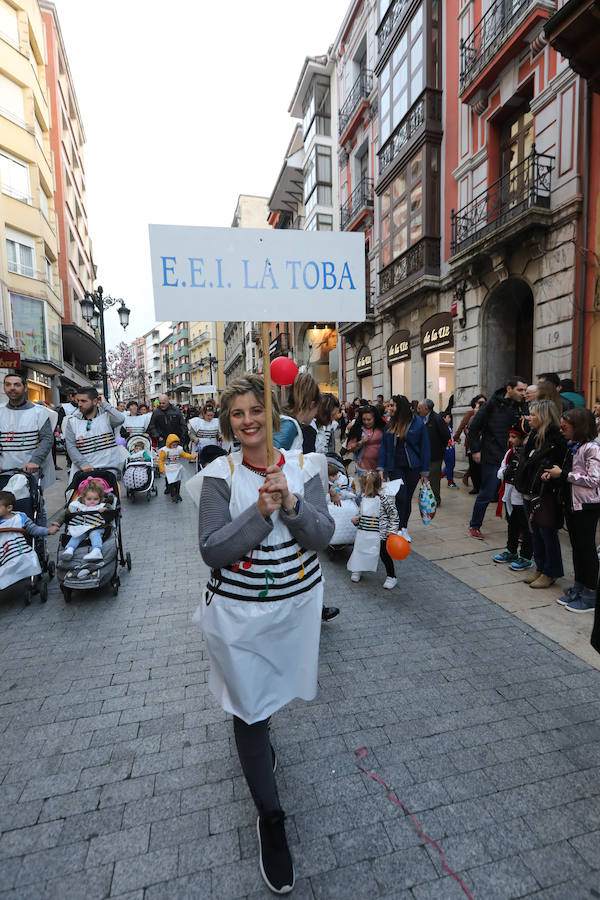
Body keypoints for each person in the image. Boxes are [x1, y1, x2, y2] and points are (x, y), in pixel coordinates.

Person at [194, 373, 334, 894]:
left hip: (294, 609)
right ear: (227, 421)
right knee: (248, 709)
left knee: (270, 700)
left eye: (257, 410)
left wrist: (294, 508)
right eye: (237, 413)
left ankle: (261, 756)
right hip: (239, 616)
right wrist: (259, 511)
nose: (249, 421)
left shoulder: (305, 466)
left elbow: (322, 536)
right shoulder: (218, 475)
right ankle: (271, 819)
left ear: (272, 413)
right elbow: (212, 549)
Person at [542, 407, 600, 612]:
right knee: (577, 548)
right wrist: (554, 474)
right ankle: (580, 586)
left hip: (587, 506)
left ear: (579, 426)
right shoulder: (574, 446)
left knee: (587, 549)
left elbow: (594, 480)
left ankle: (591, 593)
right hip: (572, 504)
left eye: (565, 424)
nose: (561, 428)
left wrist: (564, 475)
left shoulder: (592, 448)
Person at [514, 399, 567, 589]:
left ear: (543, 416)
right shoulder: (534, 436)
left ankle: (551, 572)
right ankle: (541, 567)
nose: (529, 417)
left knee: (547, 533)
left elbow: (558, 469)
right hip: (530, 492)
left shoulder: (556, 441)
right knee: (535, 533)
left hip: (546, 494)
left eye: (533, 414)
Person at [467, 376, 528, 539]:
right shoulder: (492, 404)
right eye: (520, 390)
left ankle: (517, 528)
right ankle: (475, 525)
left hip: (515, 457)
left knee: (514, 494)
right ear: (509, 389)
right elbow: (473, 429)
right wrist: (475, 450)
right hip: (493, 456)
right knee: (487, 492)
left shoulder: (523, 406)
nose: (523, 393)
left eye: (524, 390)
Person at [377, 395, 430, 542]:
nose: (389, 408)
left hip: (413, 467)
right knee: (400, 497)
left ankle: (404, 527)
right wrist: (381, 468)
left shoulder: (417, 423)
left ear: (399, 407)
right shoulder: (389, 424)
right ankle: (399, 528)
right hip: (395, 467)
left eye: (392, 405)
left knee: (407, 499)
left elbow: (425, 447)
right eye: (388, 406)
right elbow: (384, 448)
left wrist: (425, 472)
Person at [0, 373, 56, 492]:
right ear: (4, 388)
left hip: (30, 470)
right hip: (3, 471)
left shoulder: (39, 412)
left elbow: (47, 439)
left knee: (33, 505)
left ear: (25, 388)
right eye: (8, 385)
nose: (12, 388)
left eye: (17, 385)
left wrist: (35, 461)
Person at [348, 470, 400, 590]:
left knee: (384, 554)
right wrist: (357, 519)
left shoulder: (384, 499)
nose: (362, 489)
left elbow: (394, 515)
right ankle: (357, 568)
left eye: (363, 486)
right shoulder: (364, 497)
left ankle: (391, 576)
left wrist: (392, 530)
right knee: (360, 550)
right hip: (364, 531)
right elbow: (362, 512)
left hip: (380, 533)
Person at [0, 490, 59, 590]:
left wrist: (48, 531)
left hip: (19, 548)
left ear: (9, 507)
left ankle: (31, 579)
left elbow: (34, 529)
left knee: (29, 557)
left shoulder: (20, 517)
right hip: (3, 552)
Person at [492, 423, 532, 569]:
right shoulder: (510, 453)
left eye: (514, 437)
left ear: (523, 438)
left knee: (526, 527)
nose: (511, 439)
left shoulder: (528, 453)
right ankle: (511, 550)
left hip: (523, 497)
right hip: (510, 495)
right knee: (512, 524)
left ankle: (526, 557)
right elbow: (500, 470)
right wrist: (505, 473)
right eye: (510, 436)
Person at [64, 388, 125, 476]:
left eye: (83, 401)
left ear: (95, 401)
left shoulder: (107, 416)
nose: (79, 404)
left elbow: (120, 419)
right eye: (78, 401)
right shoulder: (72, 421)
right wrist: (83, 464)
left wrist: (104, 404)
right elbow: (71, 446)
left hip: (110, 471)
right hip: (85, 472)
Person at [53, 480, 108, 562]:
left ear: (100, 499)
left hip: (96, 527)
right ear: (83, 499)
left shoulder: (101, 506)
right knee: (76, 536)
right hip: (82, 527)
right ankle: (70, 549)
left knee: (94, 534)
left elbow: (111, 511)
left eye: (95, 499)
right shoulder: (78, 506)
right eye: (89, 499)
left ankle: (96, 550)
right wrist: (57, 523)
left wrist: (105, 511)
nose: (92, 501)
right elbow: (65, 513)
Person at [417, 399, 451, 508]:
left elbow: (446, 435)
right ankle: (427, 498)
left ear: (426, 409)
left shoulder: (436, 419)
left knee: (434, 479)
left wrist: (438, 447)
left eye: (419, 408)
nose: (418, 410)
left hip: (435, 455)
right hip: (424, 455)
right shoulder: (420, 419)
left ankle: (435, 500)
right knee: (426, 478)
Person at [273, 373, 319, 452]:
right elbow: (273, 457)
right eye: (317, 410)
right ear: (312, 405)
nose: (315, 415)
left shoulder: (290, 423)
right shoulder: (289, 425)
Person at [455, 395, 486, 493]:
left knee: (481, 467)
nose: (481, 405)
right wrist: (456, 436)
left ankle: (480, 486)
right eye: (479, 403)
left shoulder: (488, 415)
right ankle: (476, 486)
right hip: (471, 444)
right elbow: (462, 426)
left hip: (484, 445)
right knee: (473, 466)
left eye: (483, 402)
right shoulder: (470, 414)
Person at [346, 405, 385, 475]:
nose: (366, 422)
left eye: (369, 419)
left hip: (381, 468)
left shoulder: (382, 428)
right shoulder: (357, 429)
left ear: (375, 418)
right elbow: (350, 448)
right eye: (364, 419)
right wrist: (362, 441)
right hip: (363, 468)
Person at [158, 434, 195, 502]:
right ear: (169, 444)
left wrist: (193, 457)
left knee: (178, 482)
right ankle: (173, 495)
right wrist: (162, 469)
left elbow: (185, 455)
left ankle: (177, 493)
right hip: (169, 467)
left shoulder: (179, 449)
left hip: (177, 467)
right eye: (173, 445)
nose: (175, 446)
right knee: (171, 482)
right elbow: (160, 460)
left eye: (176, 444)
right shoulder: (165, 450)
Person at [442, 413, 458, 488]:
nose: (450, 419)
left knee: (451, 465)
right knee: (450, 465)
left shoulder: (448, 426)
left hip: (451, 449)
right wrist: (448, 443)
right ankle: (450, 482)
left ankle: (440, 475)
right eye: (448, 417)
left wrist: (455, 439)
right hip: (447, 449)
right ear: (443, 418)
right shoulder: (443, 427)